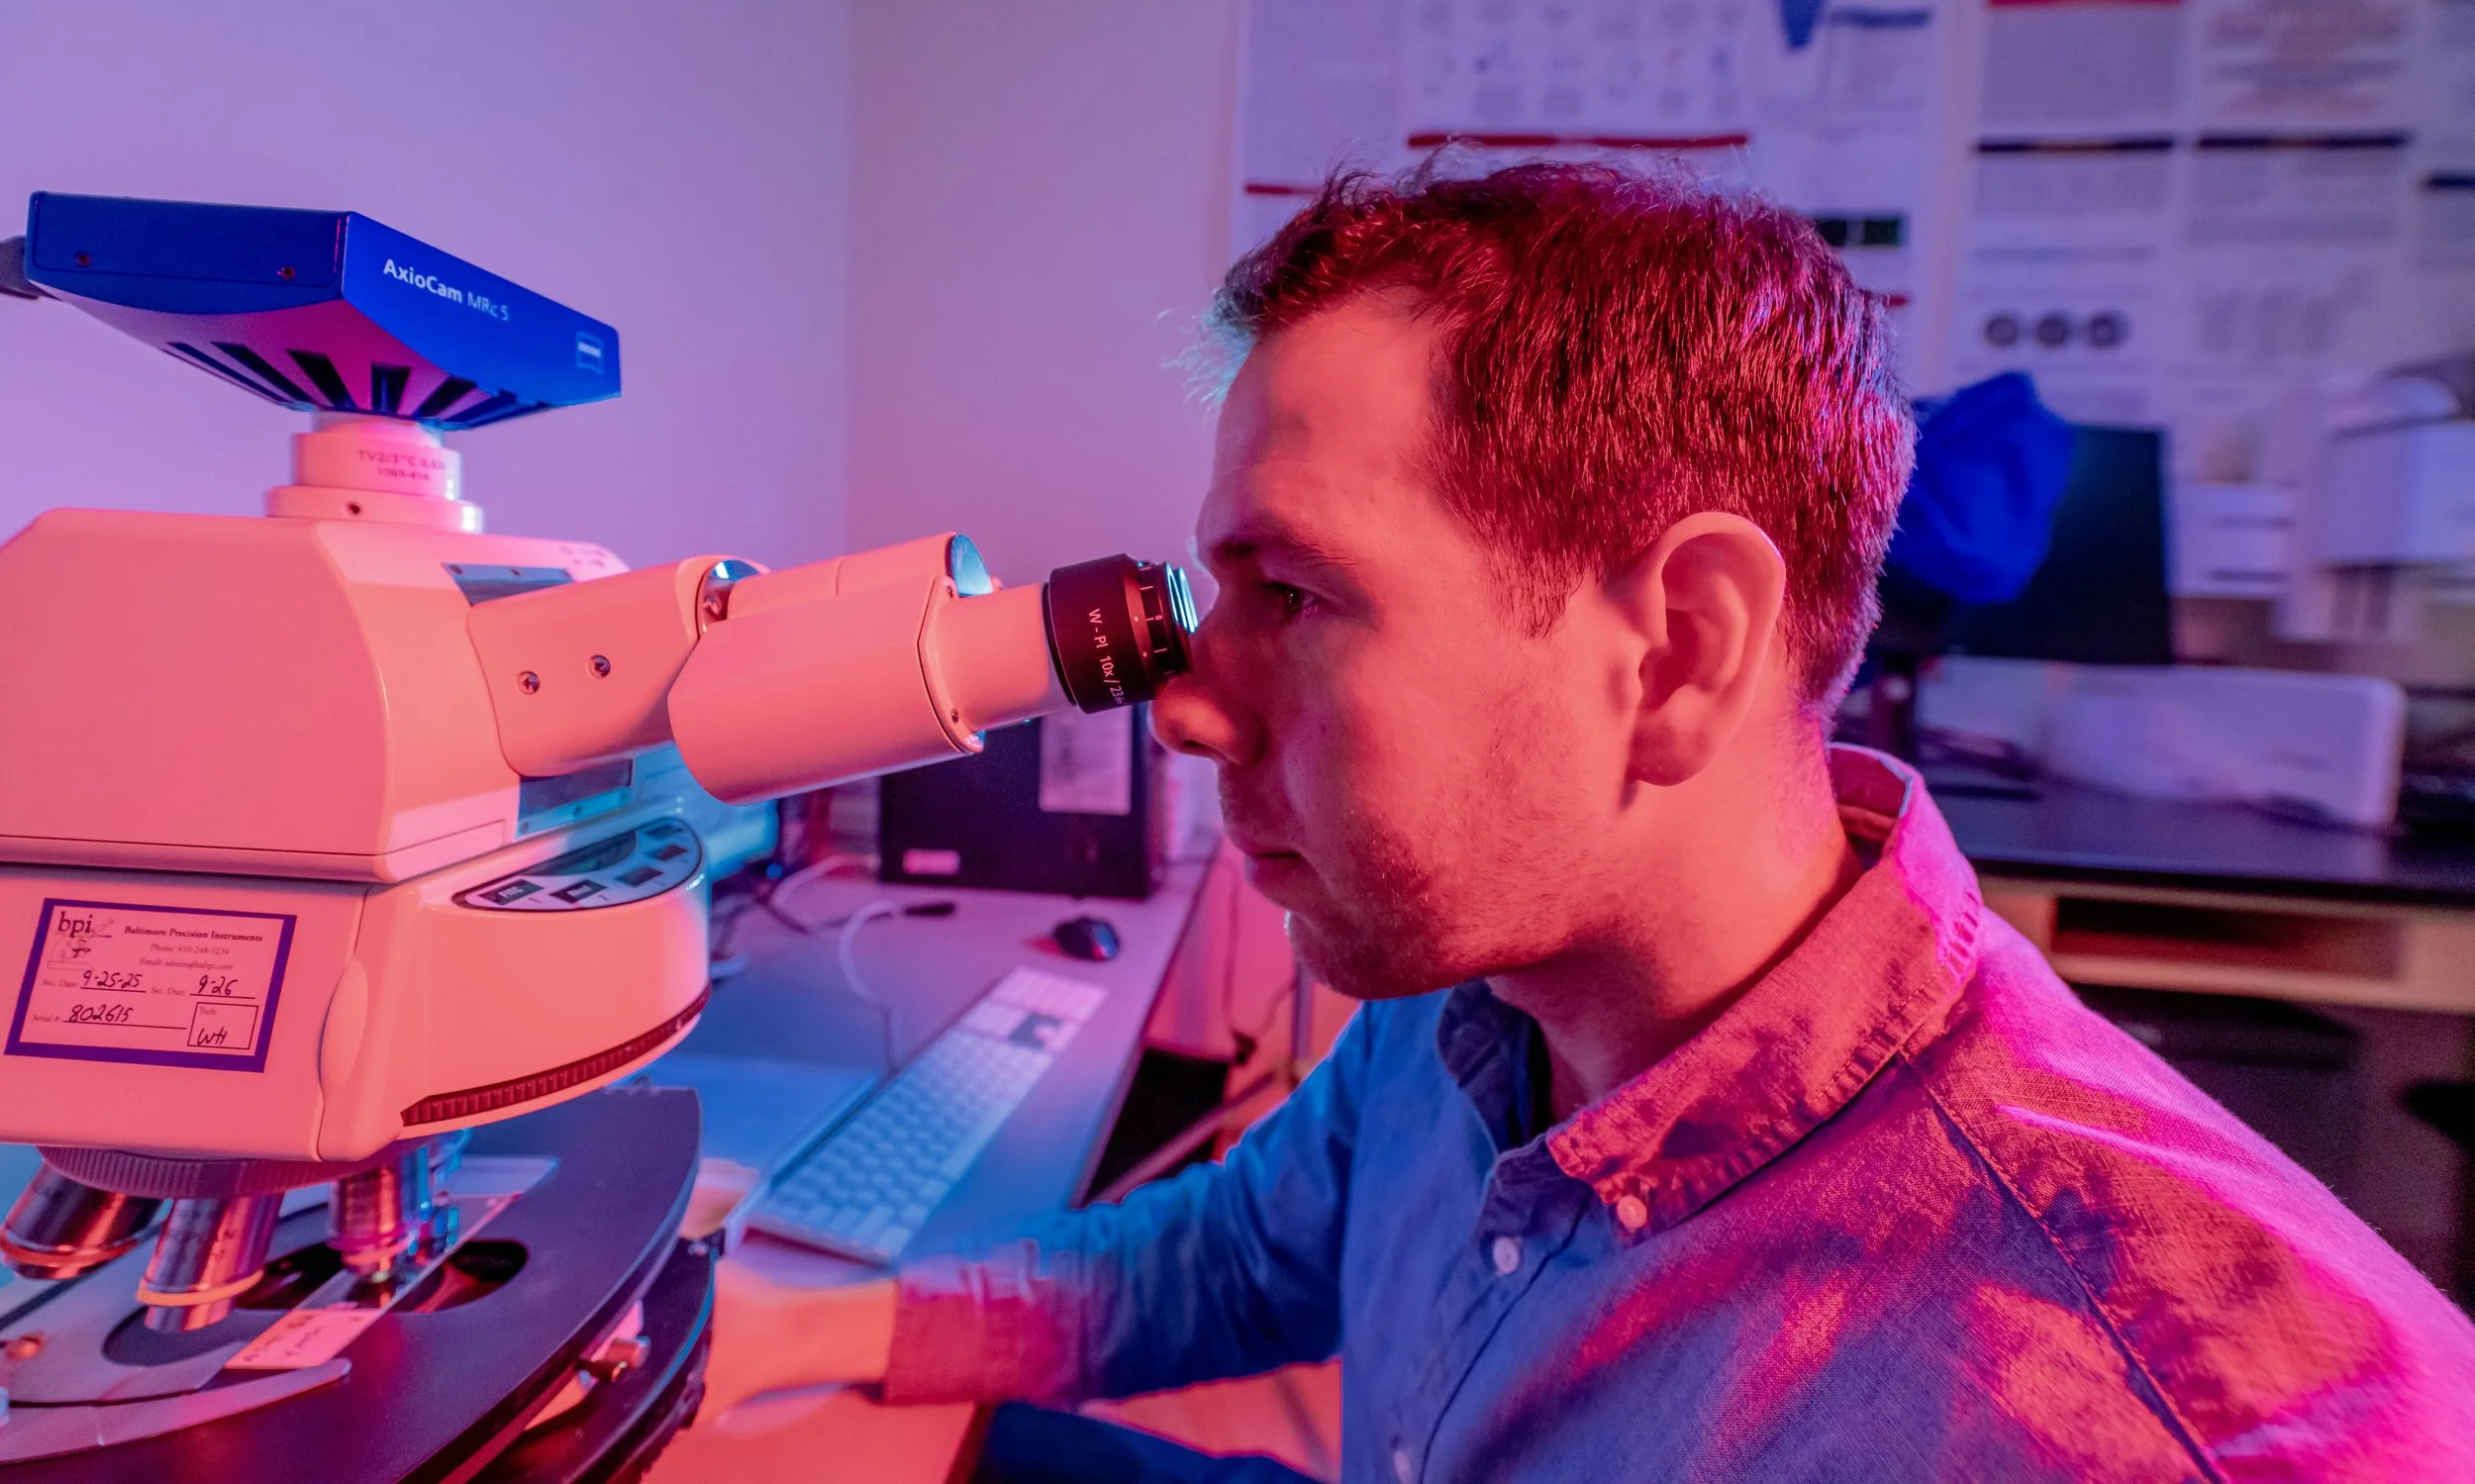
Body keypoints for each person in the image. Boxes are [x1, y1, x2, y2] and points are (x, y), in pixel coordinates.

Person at [703, 162, 2475, 1482]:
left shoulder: (2166, 1419)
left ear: (1679, 646)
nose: (1184, 701)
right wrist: (814, 1328)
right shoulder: (1474, 996)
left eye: (1295, 592)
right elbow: (1237, 1253)